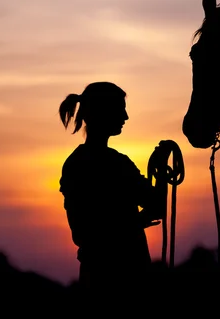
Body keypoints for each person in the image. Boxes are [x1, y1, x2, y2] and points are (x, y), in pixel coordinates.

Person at [58, 81, 164, 298]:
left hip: (101, 276)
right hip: (115, 278)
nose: (125, 117)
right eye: (120, 109)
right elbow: (86, 231)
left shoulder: (84, 163)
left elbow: (155, 205)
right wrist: (135, 222)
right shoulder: (113, 164)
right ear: (102, 113)